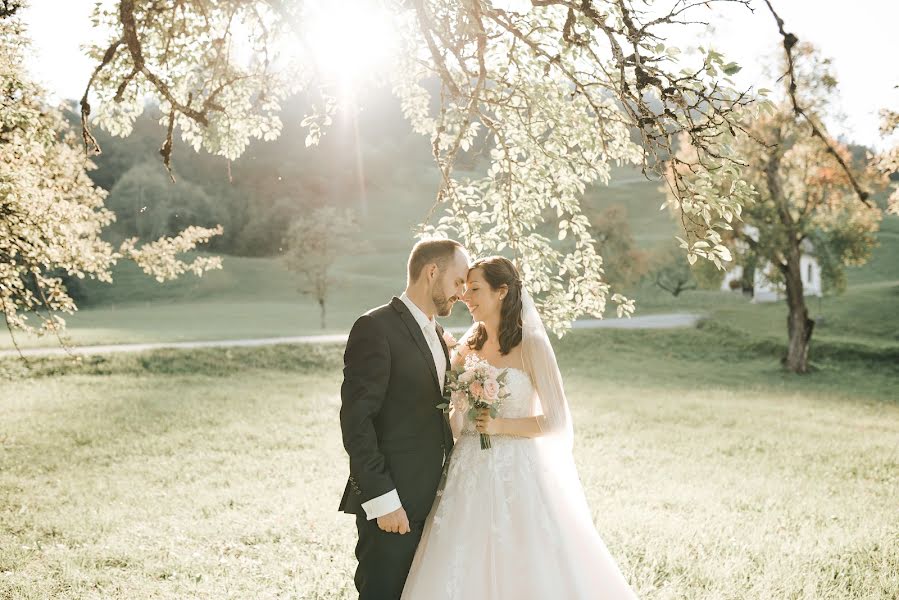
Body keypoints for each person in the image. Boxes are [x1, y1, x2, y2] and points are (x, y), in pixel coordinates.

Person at [401, 256, 639, 599]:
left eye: (475, 289)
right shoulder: (467, 347)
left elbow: (555, 420)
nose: (466, 296)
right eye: (465, 289)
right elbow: (453, 416)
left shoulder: (532, 346)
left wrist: (499, 424)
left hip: (518, 472)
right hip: (467, 470)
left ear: (502, 291)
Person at [338, 238, 470, 599]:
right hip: (393, 504)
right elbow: (357, 422)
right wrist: (383, 499)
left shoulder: (438, 334)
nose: (462, 292)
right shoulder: (375, 327)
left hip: (433, 500)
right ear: (432, 273)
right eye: (458, 281)